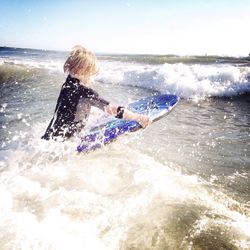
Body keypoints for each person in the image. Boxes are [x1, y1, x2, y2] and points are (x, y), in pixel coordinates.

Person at [42, 45, 151, 140]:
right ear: (80, 70)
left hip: (49, 136)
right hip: (64, 142)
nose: (92, 78)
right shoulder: (85, 92)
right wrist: (140, 118)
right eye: (91, 73)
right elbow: (113, 110)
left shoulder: (67, 85)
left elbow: (76, 108)